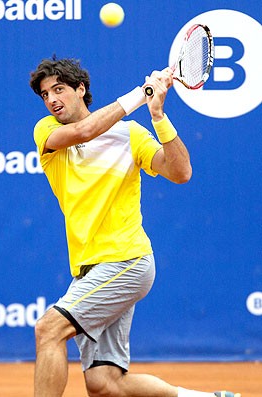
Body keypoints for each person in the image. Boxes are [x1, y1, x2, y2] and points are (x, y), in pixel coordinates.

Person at [29, 57, 240, 397]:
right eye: (45, 94)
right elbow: (85, 131)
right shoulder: (49, 132)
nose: (52, 99)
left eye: (59, 89)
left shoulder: (130, 135)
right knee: (105, 384)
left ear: (81, 89)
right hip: (89, 268)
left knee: (48, 330)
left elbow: (180, 172)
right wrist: (141, 94)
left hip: (126, 260)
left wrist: (158, 115)